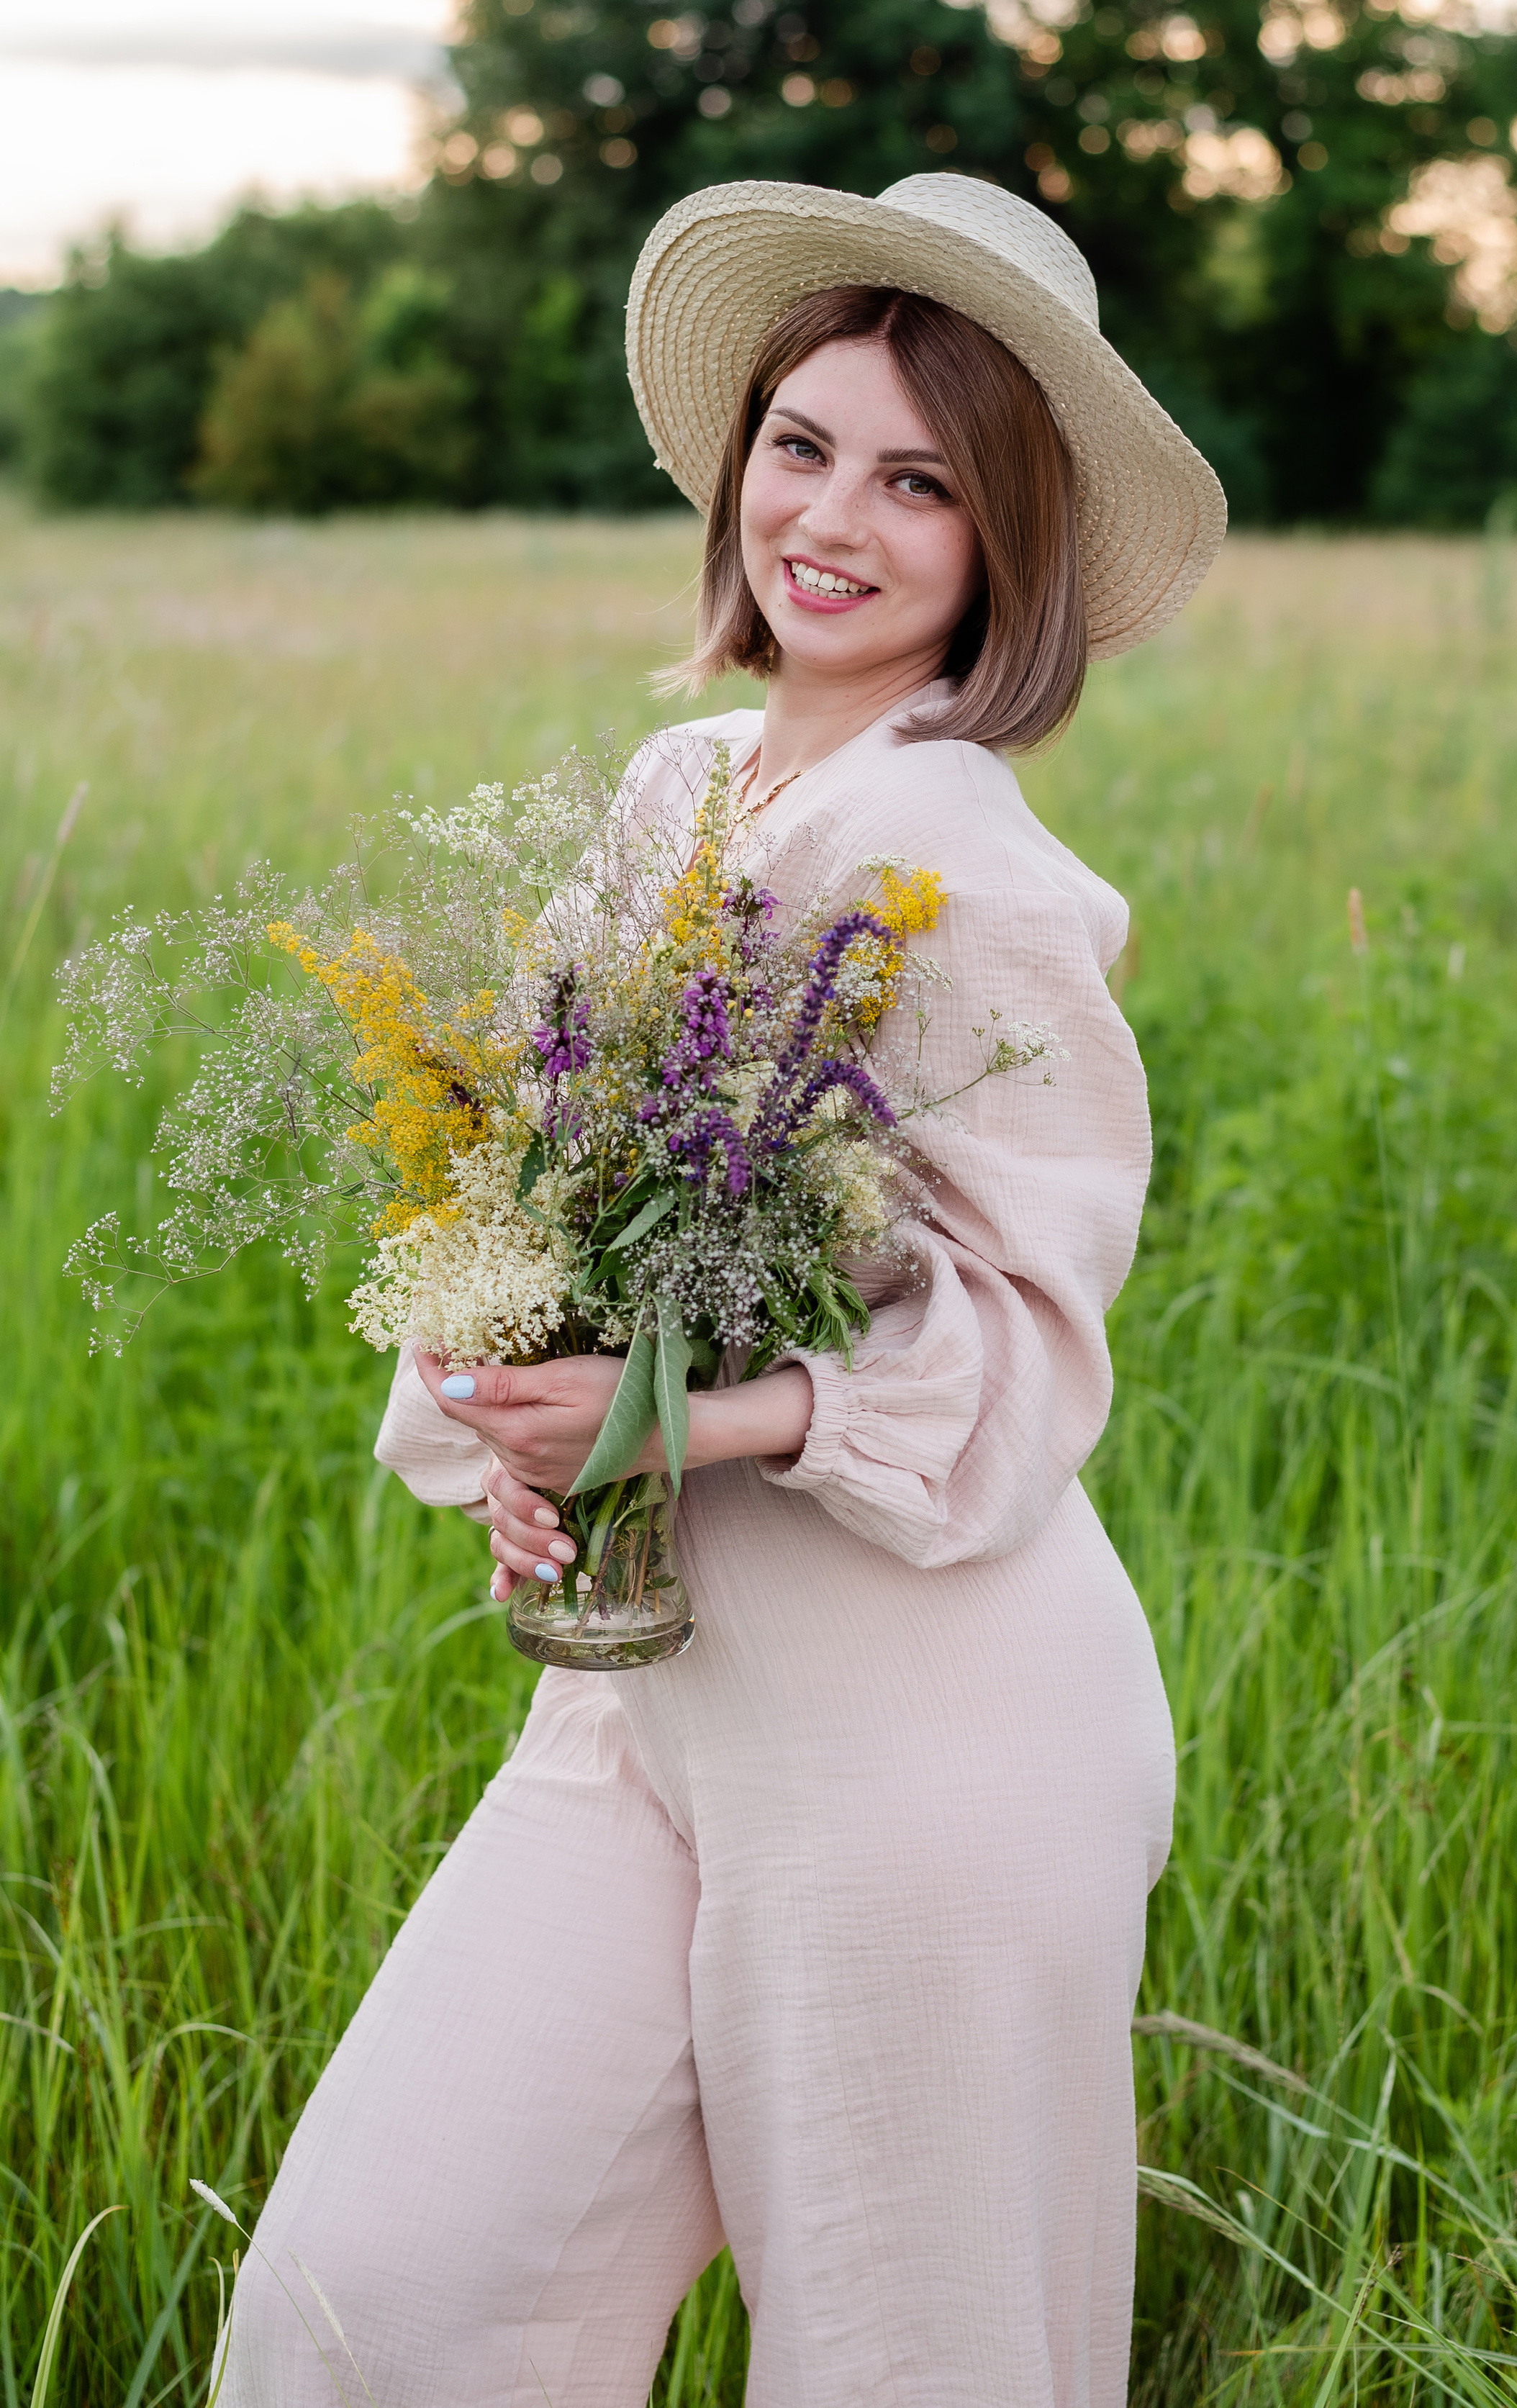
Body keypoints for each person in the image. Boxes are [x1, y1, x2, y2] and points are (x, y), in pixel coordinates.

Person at [219, 171, 1225, 2407]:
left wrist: (696, 1418)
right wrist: (524, 1430)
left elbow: (1033, 1348)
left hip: (929, 1735)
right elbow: (536, 1177)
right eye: (802, 443)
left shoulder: (967, 862)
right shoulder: (685, 777)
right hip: (653, 1694)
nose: (833, 516)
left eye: (921, 478)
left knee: (912, 2362)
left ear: (1009, 541)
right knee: (373, 2305)